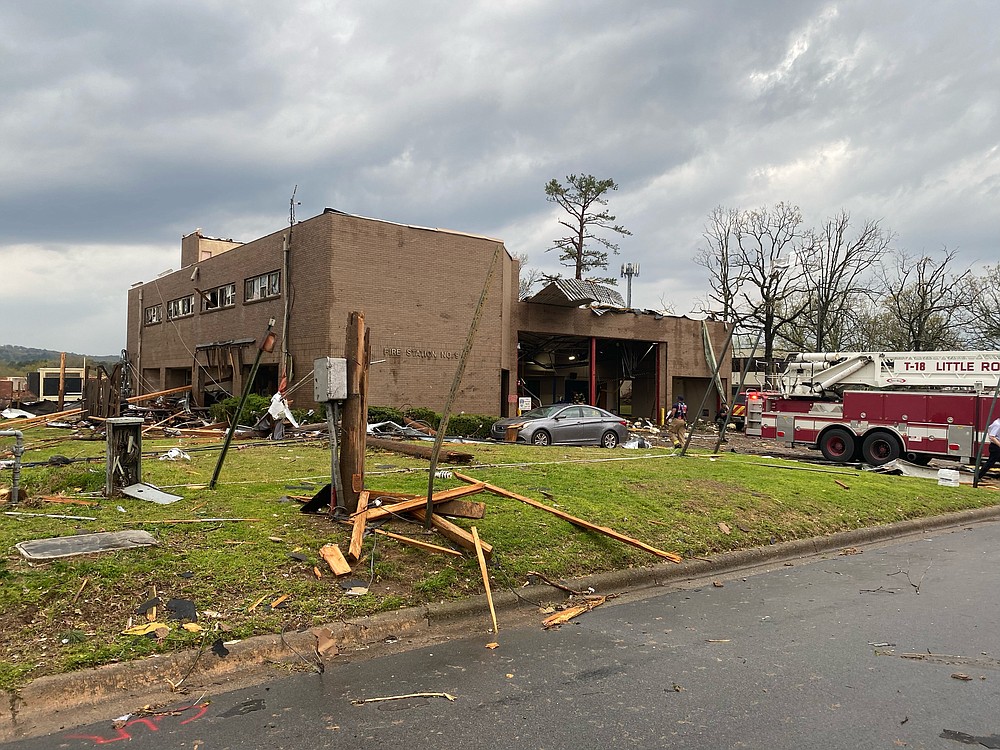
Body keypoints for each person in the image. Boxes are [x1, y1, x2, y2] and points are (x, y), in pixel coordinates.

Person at [976, 415, 1000, 484]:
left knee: (990, 462)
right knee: (990, 462)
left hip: (996, 446)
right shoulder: (997, 425)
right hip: (996, 447)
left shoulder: (997, 423)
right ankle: (978, 476)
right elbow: (992, 437)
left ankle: (978, 476)